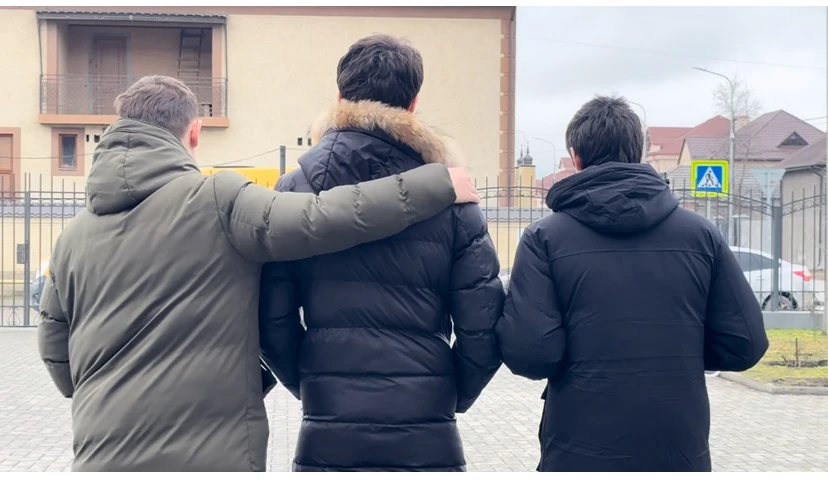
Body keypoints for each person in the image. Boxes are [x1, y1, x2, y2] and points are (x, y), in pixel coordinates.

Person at [36, 75, 480, 472]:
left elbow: (55, 351)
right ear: (194, 132)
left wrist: (105, 391)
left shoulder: (73, 236)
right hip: (207, 456)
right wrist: (437, 184)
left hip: (99, 454)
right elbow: (321, 217)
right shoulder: (215, 200)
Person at [259, 34, 504, 472]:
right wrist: (450, 390)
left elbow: (271, 316)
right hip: (427, 431)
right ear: (413, 104)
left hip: (328, 431)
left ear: (339, 98)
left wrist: (311, 382)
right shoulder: (450, 194)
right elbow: (483, 323)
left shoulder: (294, 190)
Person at [496, 95, 768, 472]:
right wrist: (680, 351)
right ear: (638, 153)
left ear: (575, 157)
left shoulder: (544, 238)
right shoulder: (701, 235)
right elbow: (745, 344)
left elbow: (531, 354)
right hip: (678, 450)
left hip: (578, 450)